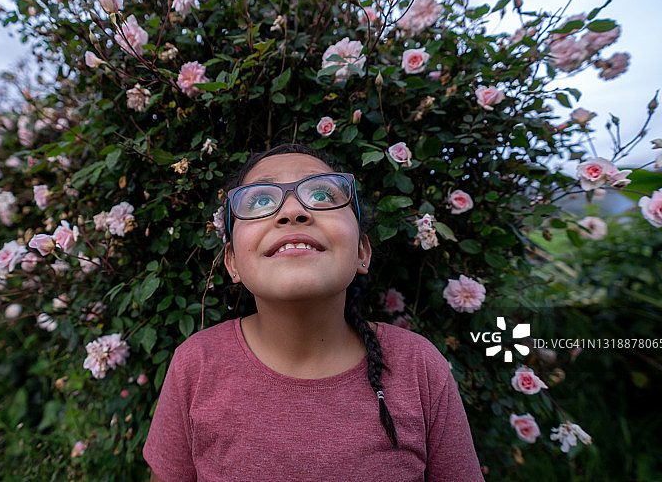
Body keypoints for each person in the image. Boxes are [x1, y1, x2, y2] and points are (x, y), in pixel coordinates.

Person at [142, 143, 484, 481]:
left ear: (362, 251)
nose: (293, 213)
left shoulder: (419, 366)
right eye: (260, 201)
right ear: (232, 262)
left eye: (322, 195)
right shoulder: (196, 364)